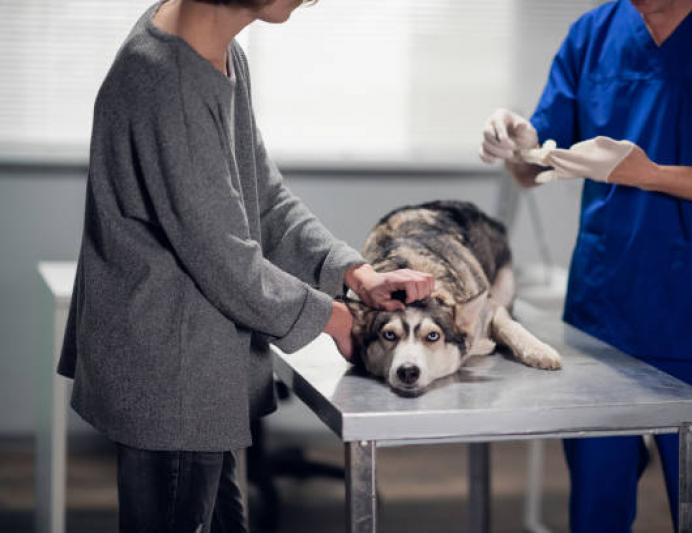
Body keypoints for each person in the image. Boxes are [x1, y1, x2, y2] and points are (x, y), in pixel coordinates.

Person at [57, 0, 434, 531]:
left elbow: (263, 199)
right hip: (172, 375)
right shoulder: (173, 83)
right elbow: (229, 263)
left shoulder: (215, 50)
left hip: (191, 367)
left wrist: (354, 273)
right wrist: (338, 319)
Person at [480, 0, 692, 531]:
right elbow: (532, 170)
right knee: (596, 507)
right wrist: (515, 142)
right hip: (604, 318)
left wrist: (649, 174)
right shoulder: (593, 35)